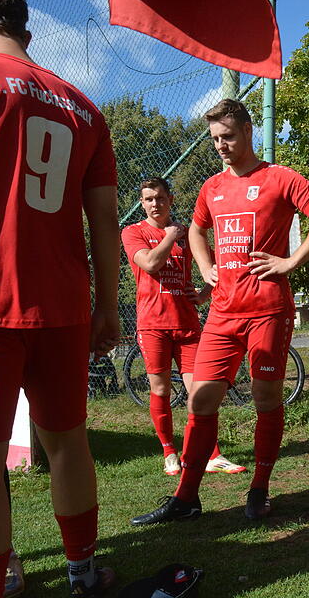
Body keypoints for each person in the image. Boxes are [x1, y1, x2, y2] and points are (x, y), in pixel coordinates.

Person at [130, 98, 309, 526]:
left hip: (267, 311)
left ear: (248, 130)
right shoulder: (211, 187)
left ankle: (259, 489)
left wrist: (291, 261)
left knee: (265, 399)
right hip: (222, 314)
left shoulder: (279, 178)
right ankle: (187, 497)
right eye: (214, 139)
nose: (221, 145)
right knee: (200, 397)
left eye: (227, 136)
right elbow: (195, 228)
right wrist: (206, 266)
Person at [0, 0, 120, 595]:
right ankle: (83, 572)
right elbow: (104, 219)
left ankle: (2, 577)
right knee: (68, 441)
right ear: (28, 30)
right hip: (64, 302)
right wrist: (107, 305)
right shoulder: (84, 108)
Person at [121, 177, 245, 476]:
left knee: (201, 392)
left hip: (187, 325)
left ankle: (212, 455)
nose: (155, 204)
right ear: (142, 202)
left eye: (160, 198)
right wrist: (170, 236)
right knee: (160, 388)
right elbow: (149, 264)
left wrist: (204, 293)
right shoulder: (132, 232)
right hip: (153, 324)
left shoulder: (188, 234)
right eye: (148, 199)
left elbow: (218, 266)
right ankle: (169, 453)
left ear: (170, 199)